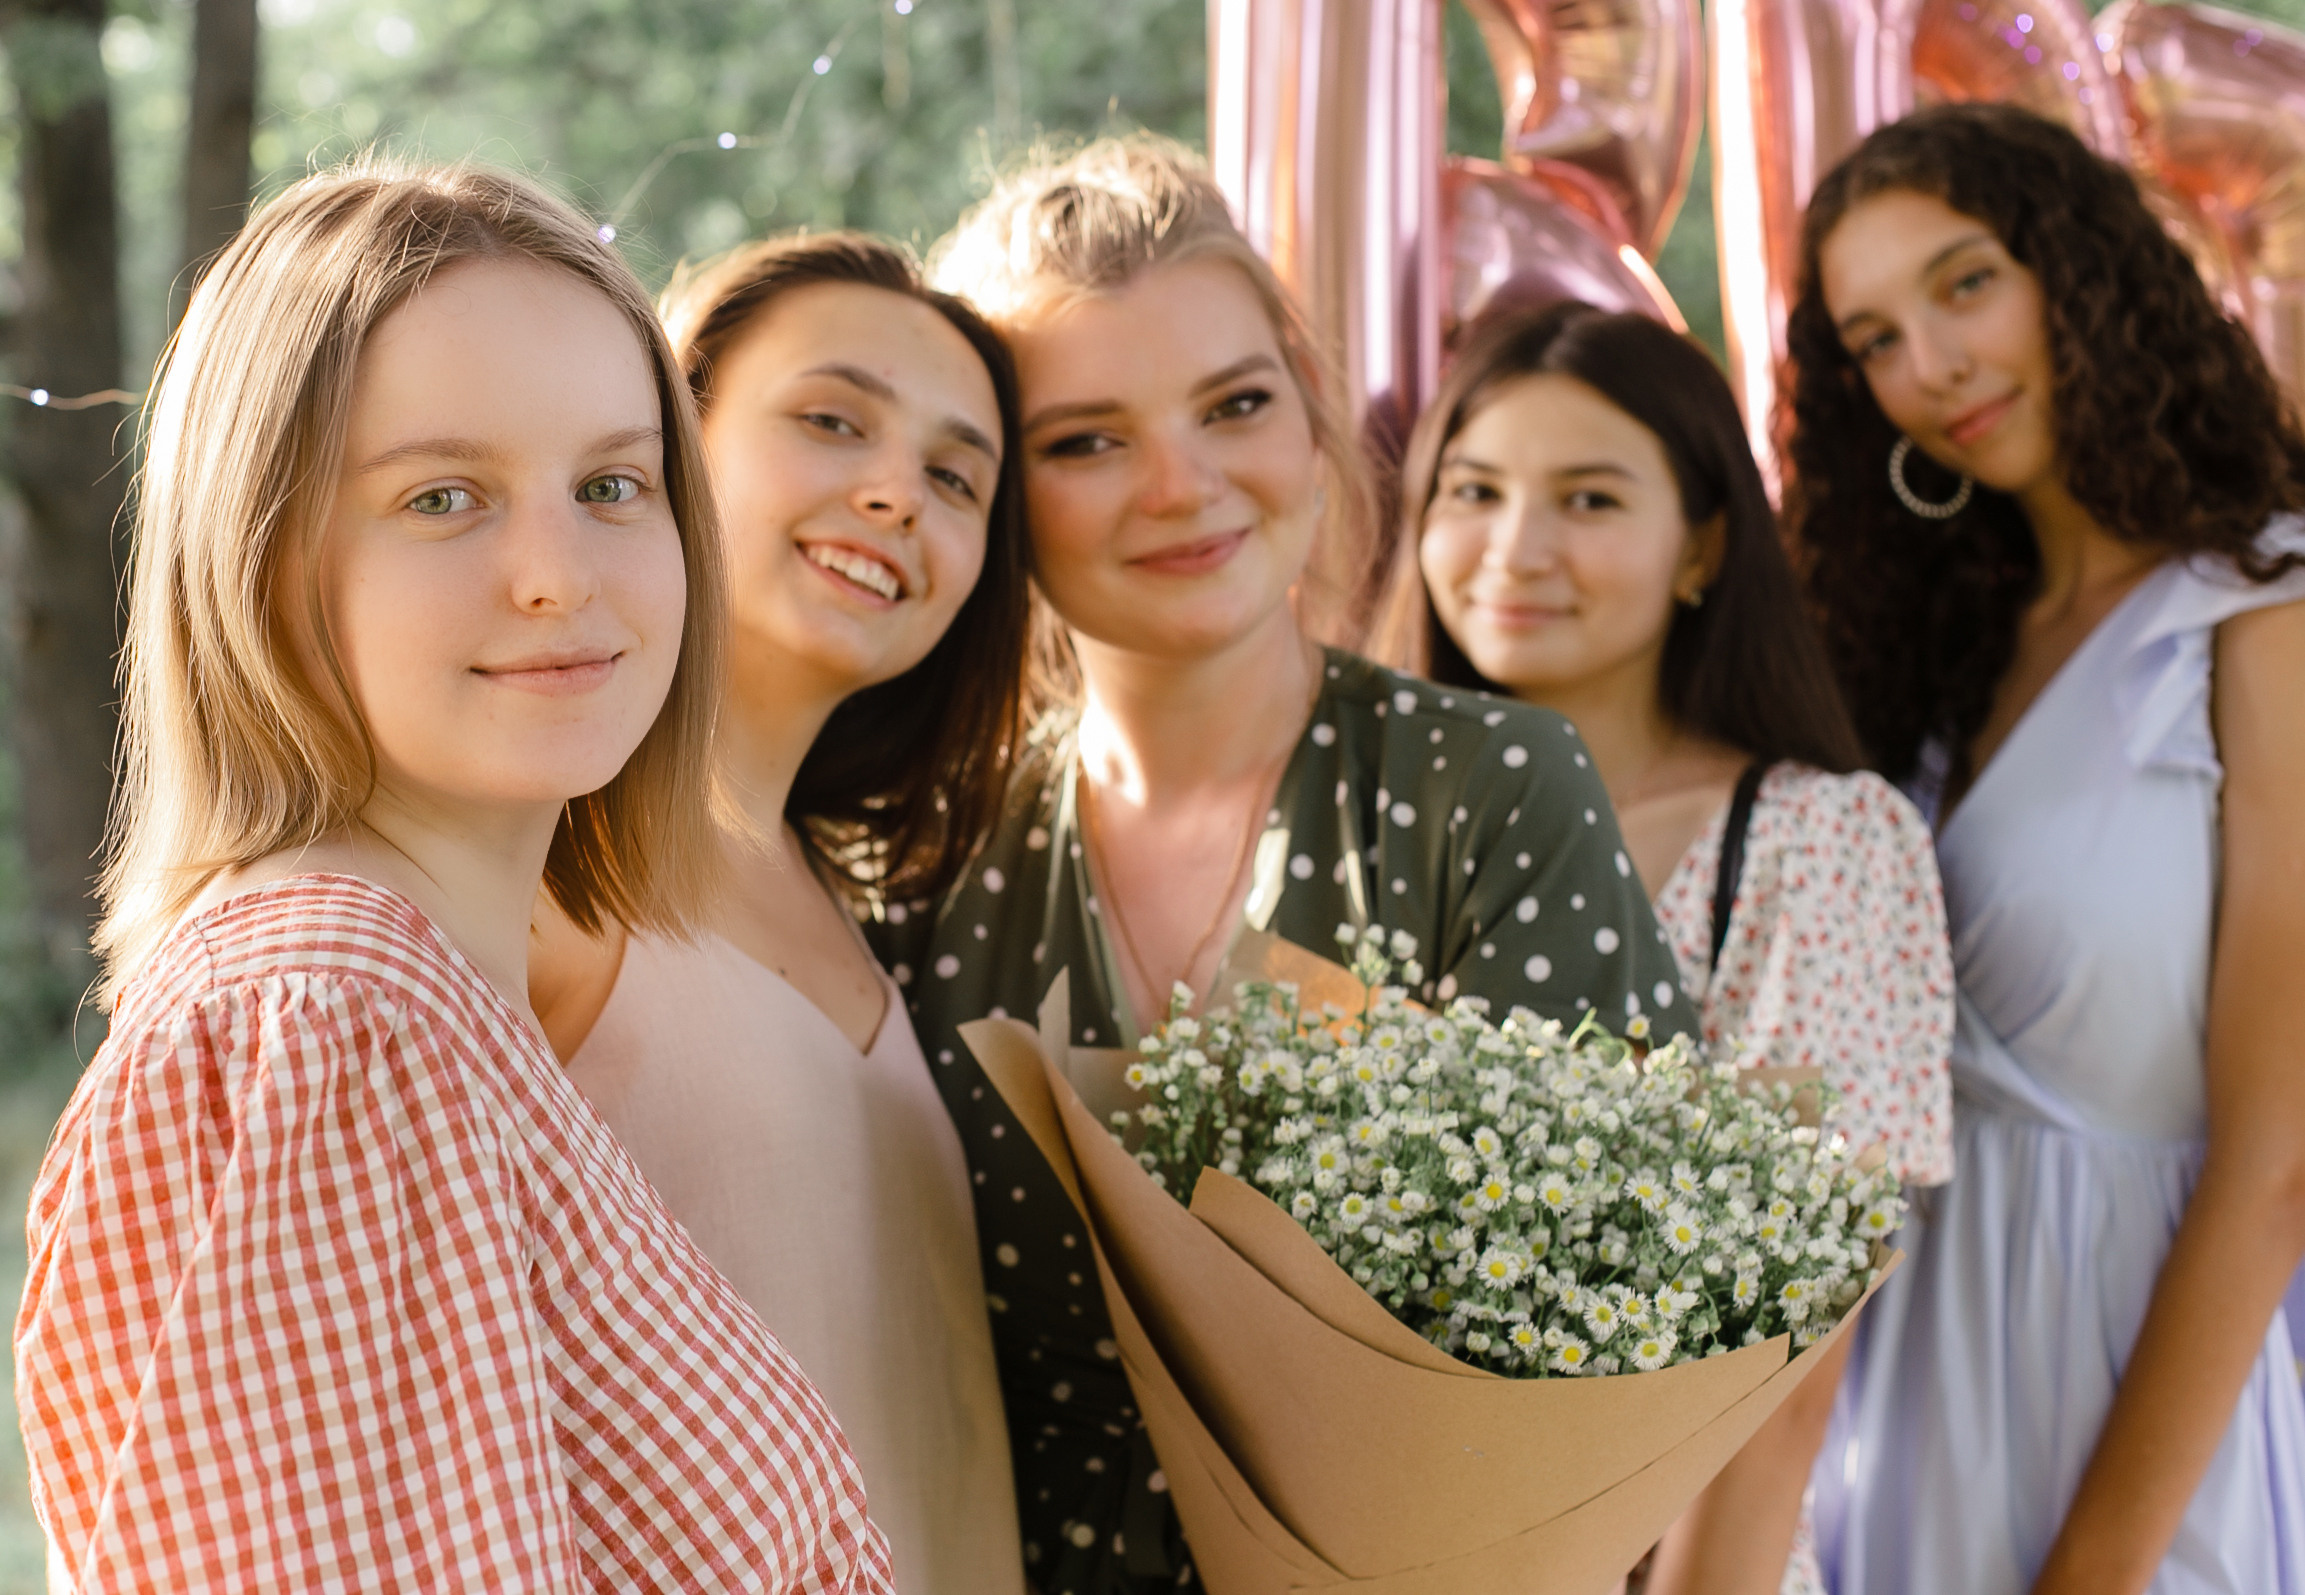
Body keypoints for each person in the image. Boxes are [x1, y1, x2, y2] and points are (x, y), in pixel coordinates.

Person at [15, 160, 892, 1594]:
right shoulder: (326, 1028)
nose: (560, 573)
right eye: (441, 498)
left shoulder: (434, 1011)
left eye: (614, 482)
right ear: (264, 556)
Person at [883, 133, 1695, 1595]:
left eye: (1233, 405)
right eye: (1087, 440)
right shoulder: (930, 857)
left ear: (1311, 421)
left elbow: (1623, 1317)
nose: (1181, 484)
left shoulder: (1489, 791)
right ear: (999, 490)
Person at [1784, 102, 2305, 1595]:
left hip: (2139, 1420)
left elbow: (2277, 1164)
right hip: (1890, 1401)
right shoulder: (1926, 664)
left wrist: (2089, 1572)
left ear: (2080, 273)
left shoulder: (2257, 621)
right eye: (1871, 337)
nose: (1926, 367)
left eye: (1962, 285)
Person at [1375, 301, 1954, 1595]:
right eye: (1473, 491)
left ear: (1699, 550)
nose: (1514, 549)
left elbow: (1793, 1352)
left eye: (1587, 501)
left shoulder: (1816, 848)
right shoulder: (1366, 834)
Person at [527, 232, 1031, 1595]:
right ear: (668, 432)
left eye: (954, 477)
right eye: (831, 420)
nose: (894, 495)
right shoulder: (538, 863)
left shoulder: (857, 912)